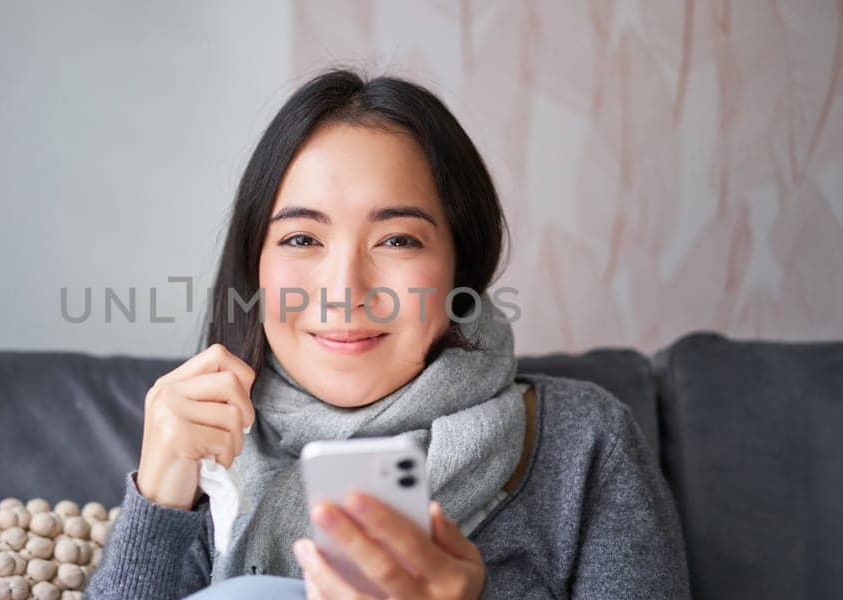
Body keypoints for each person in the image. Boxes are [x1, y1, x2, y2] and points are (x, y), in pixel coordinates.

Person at [87, 69, 689, 599]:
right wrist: (161, 498)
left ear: (461, 264)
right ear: (257, 265)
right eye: (302, 239)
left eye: (397, 239)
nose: (344, 289)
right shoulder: (209, 446)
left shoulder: (584, 443)